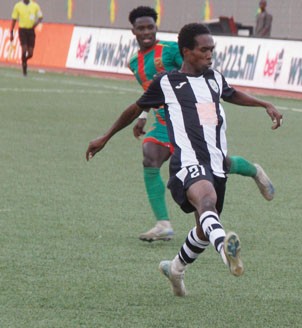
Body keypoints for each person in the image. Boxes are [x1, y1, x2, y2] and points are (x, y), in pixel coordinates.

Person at [86, 22, 283, 296]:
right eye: (204, 50)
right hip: (187, 162)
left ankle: (175, 269)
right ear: (186, 51)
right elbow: (134, 108)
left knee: (203, 227)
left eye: (212, 50)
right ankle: (226, 252)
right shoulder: (166, 83)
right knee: (206, 201)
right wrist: (105, 138)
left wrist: (264, 104)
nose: (209, 55)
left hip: (215, 163)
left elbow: (232, 93)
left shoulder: (214, 78)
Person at [127, 6, 276, 243]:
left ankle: (253, 170)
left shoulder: (170, 50)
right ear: (132, 30)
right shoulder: (134, 62)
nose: (146, 32)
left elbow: (196, 74)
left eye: (150, 27)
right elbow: (152, 93)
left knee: (217, 162)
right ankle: (163, 223)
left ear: (157, 28)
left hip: (200, 111)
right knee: (150, 156)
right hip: (168, 120)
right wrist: (142, 116)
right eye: (141, 28)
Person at [9, 0, 43, 76]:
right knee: (24, 50)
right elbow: (14, 20)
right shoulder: (18, 6)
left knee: (30, 54)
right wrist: (11, 33)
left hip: (31, 31)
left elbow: (40, 17)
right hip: (22, 31)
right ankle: (24, 68)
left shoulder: (35, 6)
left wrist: (36, 24)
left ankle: (24, 60)